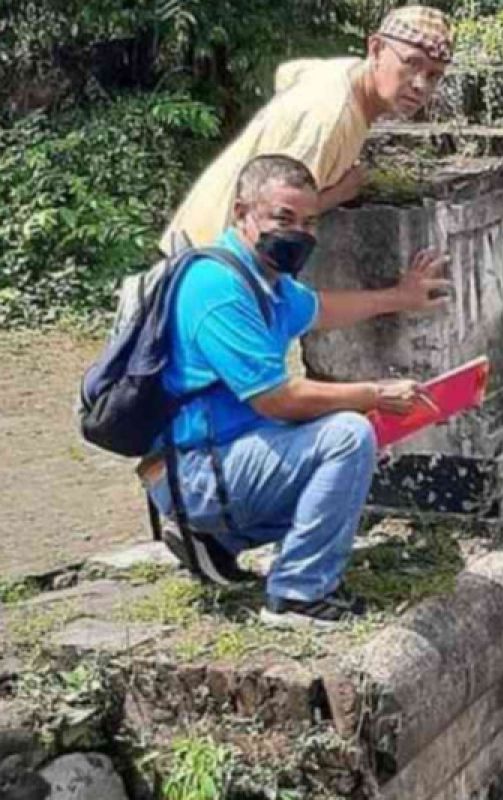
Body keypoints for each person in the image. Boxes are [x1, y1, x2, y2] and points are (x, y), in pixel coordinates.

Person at [139, 153, 452, 628]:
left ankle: (218, 541)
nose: (300, 234)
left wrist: (400, 297)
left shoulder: (267, 282)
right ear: (243, 213)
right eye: (284, 218)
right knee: (346, 435)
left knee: (349, 436)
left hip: (219, 460)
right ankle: (299, 594)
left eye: (310, 222)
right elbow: (276, 399)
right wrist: (374, 392)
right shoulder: (217, 287)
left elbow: (323, 308)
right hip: (196, 471)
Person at [159, 5, 454, 254]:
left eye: (433, 76)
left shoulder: (345, 74)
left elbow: (289, 73)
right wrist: (339, 193)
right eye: (412, 64)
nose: (420, 85)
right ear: (375, 49)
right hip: (212, 257)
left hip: (202, 241)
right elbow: (276, 216)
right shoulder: (329, 119)